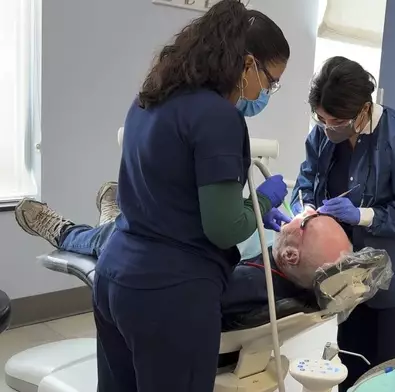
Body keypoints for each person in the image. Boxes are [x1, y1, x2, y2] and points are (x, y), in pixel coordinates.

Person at [83, 1, 291, 390]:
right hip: (171, 295)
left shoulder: (150, 99)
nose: (267, 91)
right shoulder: (219, 118)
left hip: (115, 275)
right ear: (246, 65)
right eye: (270, 80)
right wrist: (262, 202)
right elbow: (225, 228)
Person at [292, 56, 395, 390]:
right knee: (353, 372)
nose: (328, 127)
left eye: (336, 120)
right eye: (321, 118)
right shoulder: (324, 137)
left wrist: (362, 215)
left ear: (362, 110)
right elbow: (307, 176)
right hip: (348, 282)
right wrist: (307, 206)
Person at [14, 189, 352, 322]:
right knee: (127, 230)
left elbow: (180, 279)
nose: (300, 213)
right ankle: (113, 218)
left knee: (122, 238)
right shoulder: (298, 287)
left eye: (305, 220)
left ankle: (64, 231)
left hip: (148, 283)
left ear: (291, 256)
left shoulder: (245, 285)